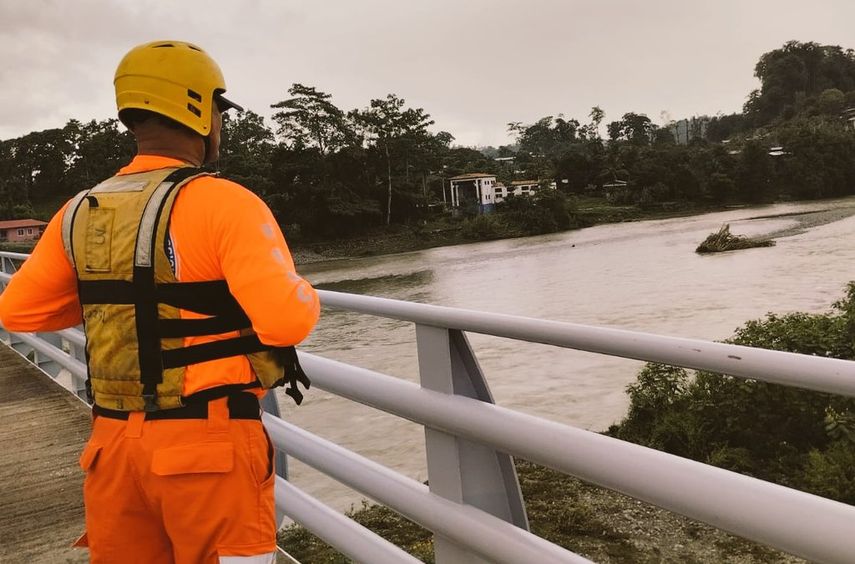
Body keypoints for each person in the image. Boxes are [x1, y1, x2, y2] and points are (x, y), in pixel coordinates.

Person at [0, 40, 320, 563]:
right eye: (219, 108)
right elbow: (285, 321)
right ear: (198, 108)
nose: (221, 122)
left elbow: (18, 312)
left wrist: (125, 306)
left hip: (113, 449)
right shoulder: (226, 202)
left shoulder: (80, 208)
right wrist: (300, 288)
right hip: (209, 448)